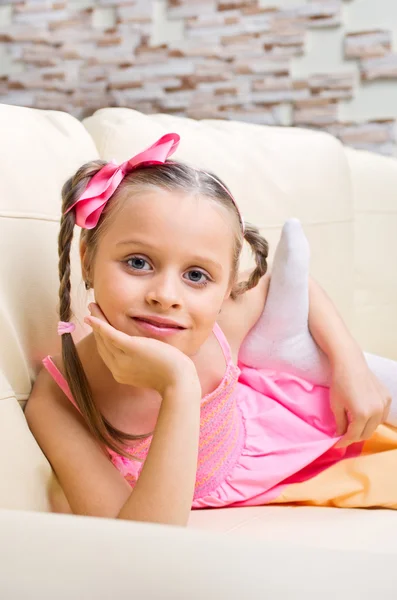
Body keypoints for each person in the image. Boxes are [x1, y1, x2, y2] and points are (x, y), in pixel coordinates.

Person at [26, 133, 395, 526]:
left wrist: (349, 364)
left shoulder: (221, 320)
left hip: (290, 445)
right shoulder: (61, 400)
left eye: (197, 275)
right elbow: (142, 543)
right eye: (137, 262)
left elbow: (289, 284)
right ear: (87, 258)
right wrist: (178, 384)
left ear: (225, 289)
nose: (166, 296)